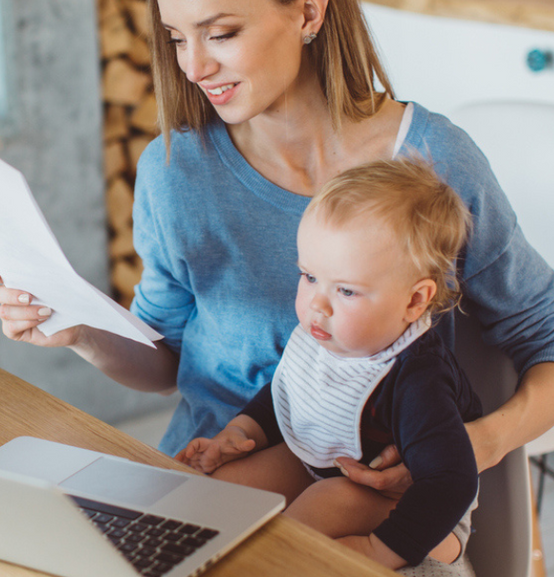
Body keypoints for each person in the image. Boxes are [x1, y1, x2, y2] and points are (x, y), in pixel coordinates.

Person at [0, 0, 554, 531]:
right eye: (176, 38)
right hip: (206, 479)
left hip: (368, 509)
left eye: (220, 33)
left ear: (308, 11)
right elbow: (164, 363)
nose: (193, 66)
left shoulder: (432, 163)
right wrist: (80, 331)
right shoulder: (175, 172)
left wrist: (476, 445)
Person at [176, 159, 480, 574]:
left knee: (324, 505)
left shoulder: (416, 376)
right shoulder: (328, 332)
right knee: (224, 489)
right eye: (310, 277)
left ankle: (266, 564)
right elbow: (288, 393)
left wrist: (379, 550)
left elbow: (451, 482)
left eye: (347, 290)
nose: (318, 303)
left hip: (422, 515)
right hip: (324, 468)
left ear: (413, 301)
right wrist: (237, 433)